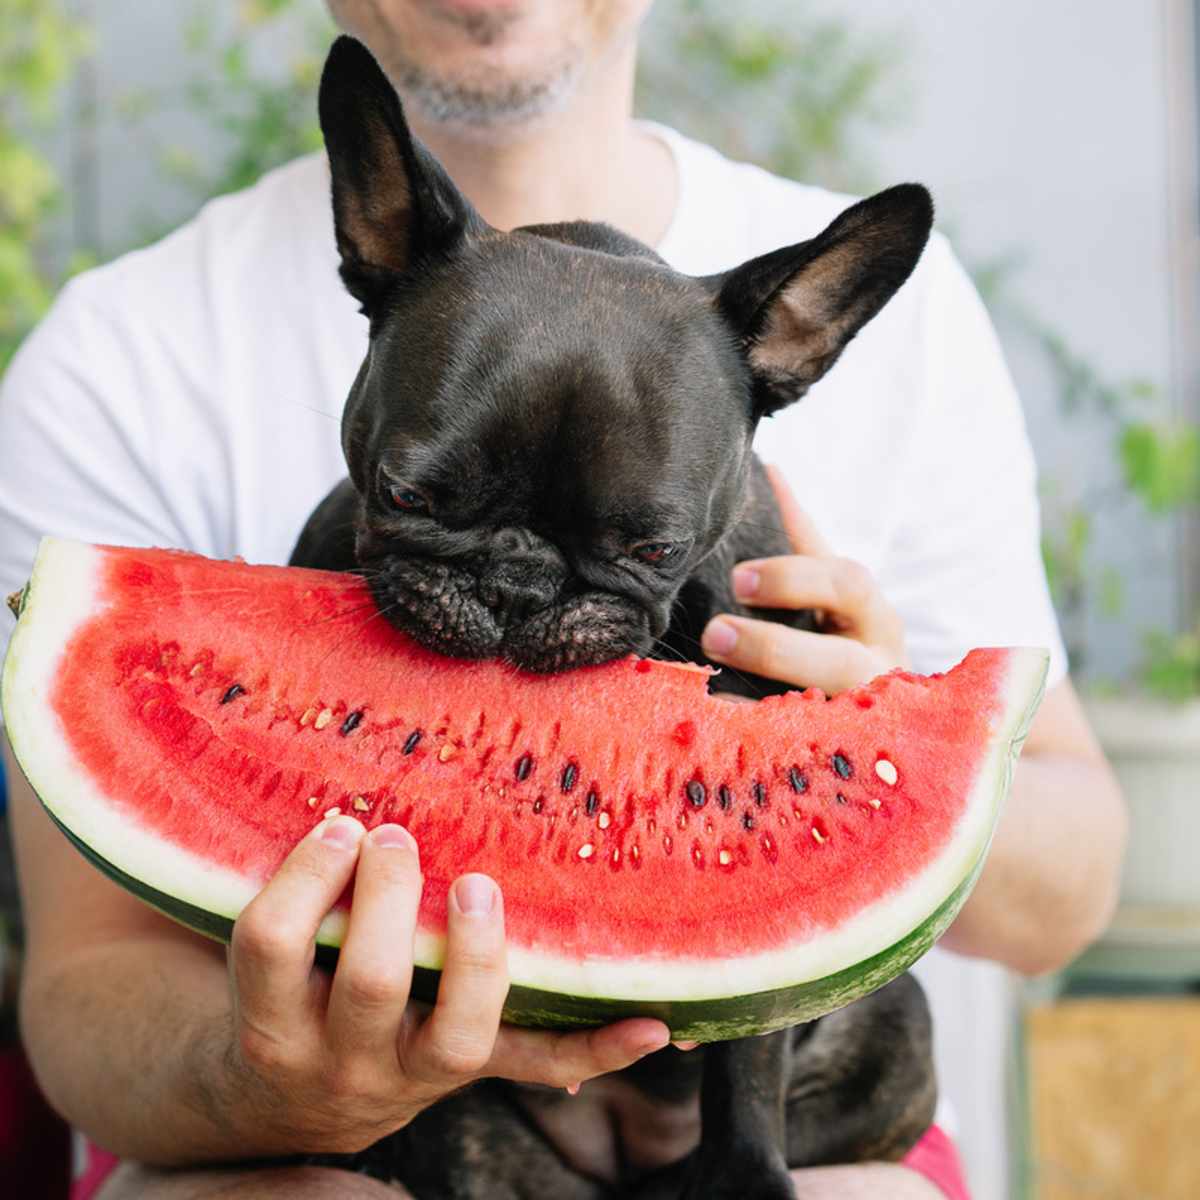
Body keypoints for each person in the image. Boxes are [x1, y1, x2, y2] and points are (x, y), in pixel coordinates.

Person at [0, 2, 1126, 1197]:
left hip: (779, 1120)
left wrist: (884, 751)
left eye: (636, 551)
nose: (514, 598)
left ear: (791, 356)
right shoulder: (121, 353)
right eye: (420, 498)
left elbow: (1071, 896)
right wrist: (276, 1075)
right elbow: (83, 983)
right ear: (371, 245)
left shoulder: (915, 335)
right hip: (341, 1134)